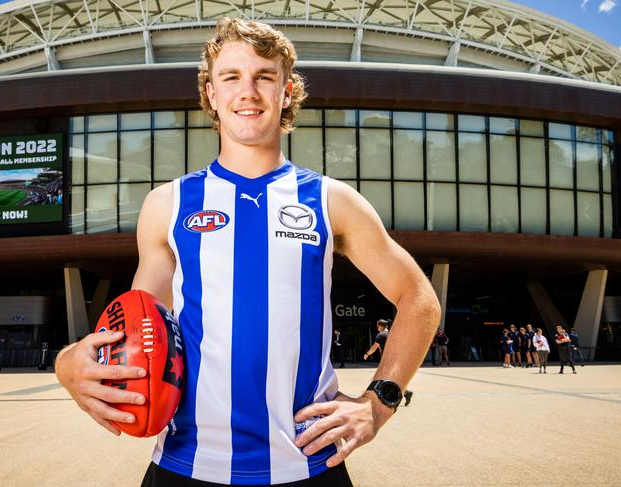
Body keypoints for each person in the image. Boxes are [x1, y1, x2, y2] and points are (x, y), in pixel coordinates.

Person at [55, 18, 441, 487]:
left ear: (286, 91)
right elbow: (143, 330)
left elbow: (419, 299)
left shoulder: (331, 200)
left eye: (264, 76)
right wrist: (67, 362)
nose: (248, 91)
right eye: (231, 77)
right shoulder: (166, 205)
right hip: (184, 465)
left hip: (308, 465)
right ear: (212, 95)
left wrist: (378, 403)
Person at [363, 320, 414, 407]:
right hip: (396, 360)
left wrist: (367, 354)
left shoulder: (381, 335)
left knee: (383, 380)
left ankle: (402, 394)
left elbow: (374, 347)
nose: (377, 328)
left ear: (381, 326)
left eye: (377, 326)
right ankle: (404, 393)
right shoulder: (392, 333)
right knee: (390, 380)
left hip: (388, 361)